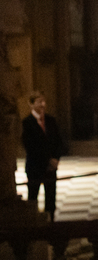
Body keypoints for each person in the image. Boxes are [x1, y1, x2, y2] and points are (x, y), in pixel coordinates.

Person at [21, 91, 67, 219]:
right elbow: (30, 147)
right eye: (39, 102)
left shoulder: (51, 120)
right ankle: (32, 224)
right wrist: (48, 160)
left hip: (50, 168)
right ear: (31, 104)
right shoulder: (26, 123)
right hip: (35, 167)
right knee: (33, 198)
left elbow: (58, 141)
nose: (43, 104)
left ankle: (51, 224)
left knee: (51, 200)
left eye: (43, 101)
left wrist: (56, 159)